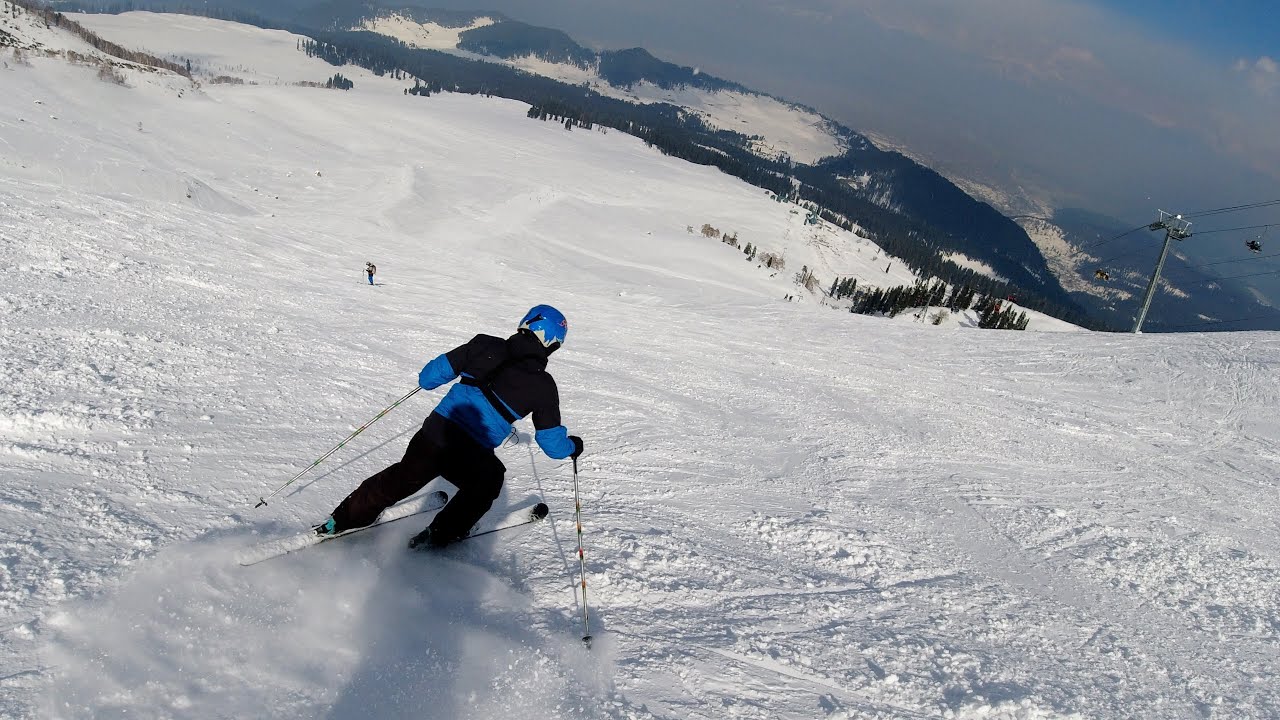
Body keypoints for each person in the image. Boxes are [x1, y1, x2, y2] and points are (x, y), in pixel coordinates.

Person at [315, 305, 583, 548]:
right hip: (470, 453)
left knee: (400, 478)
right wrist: (573, 446)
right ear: (551, 344)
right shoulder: (544, 386)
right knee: (488, 482)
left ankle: (341, 520)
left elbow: (428, 378)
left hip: (433, 435)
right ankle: (441, 534)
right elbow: (552, 445)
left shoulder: (484, 344)